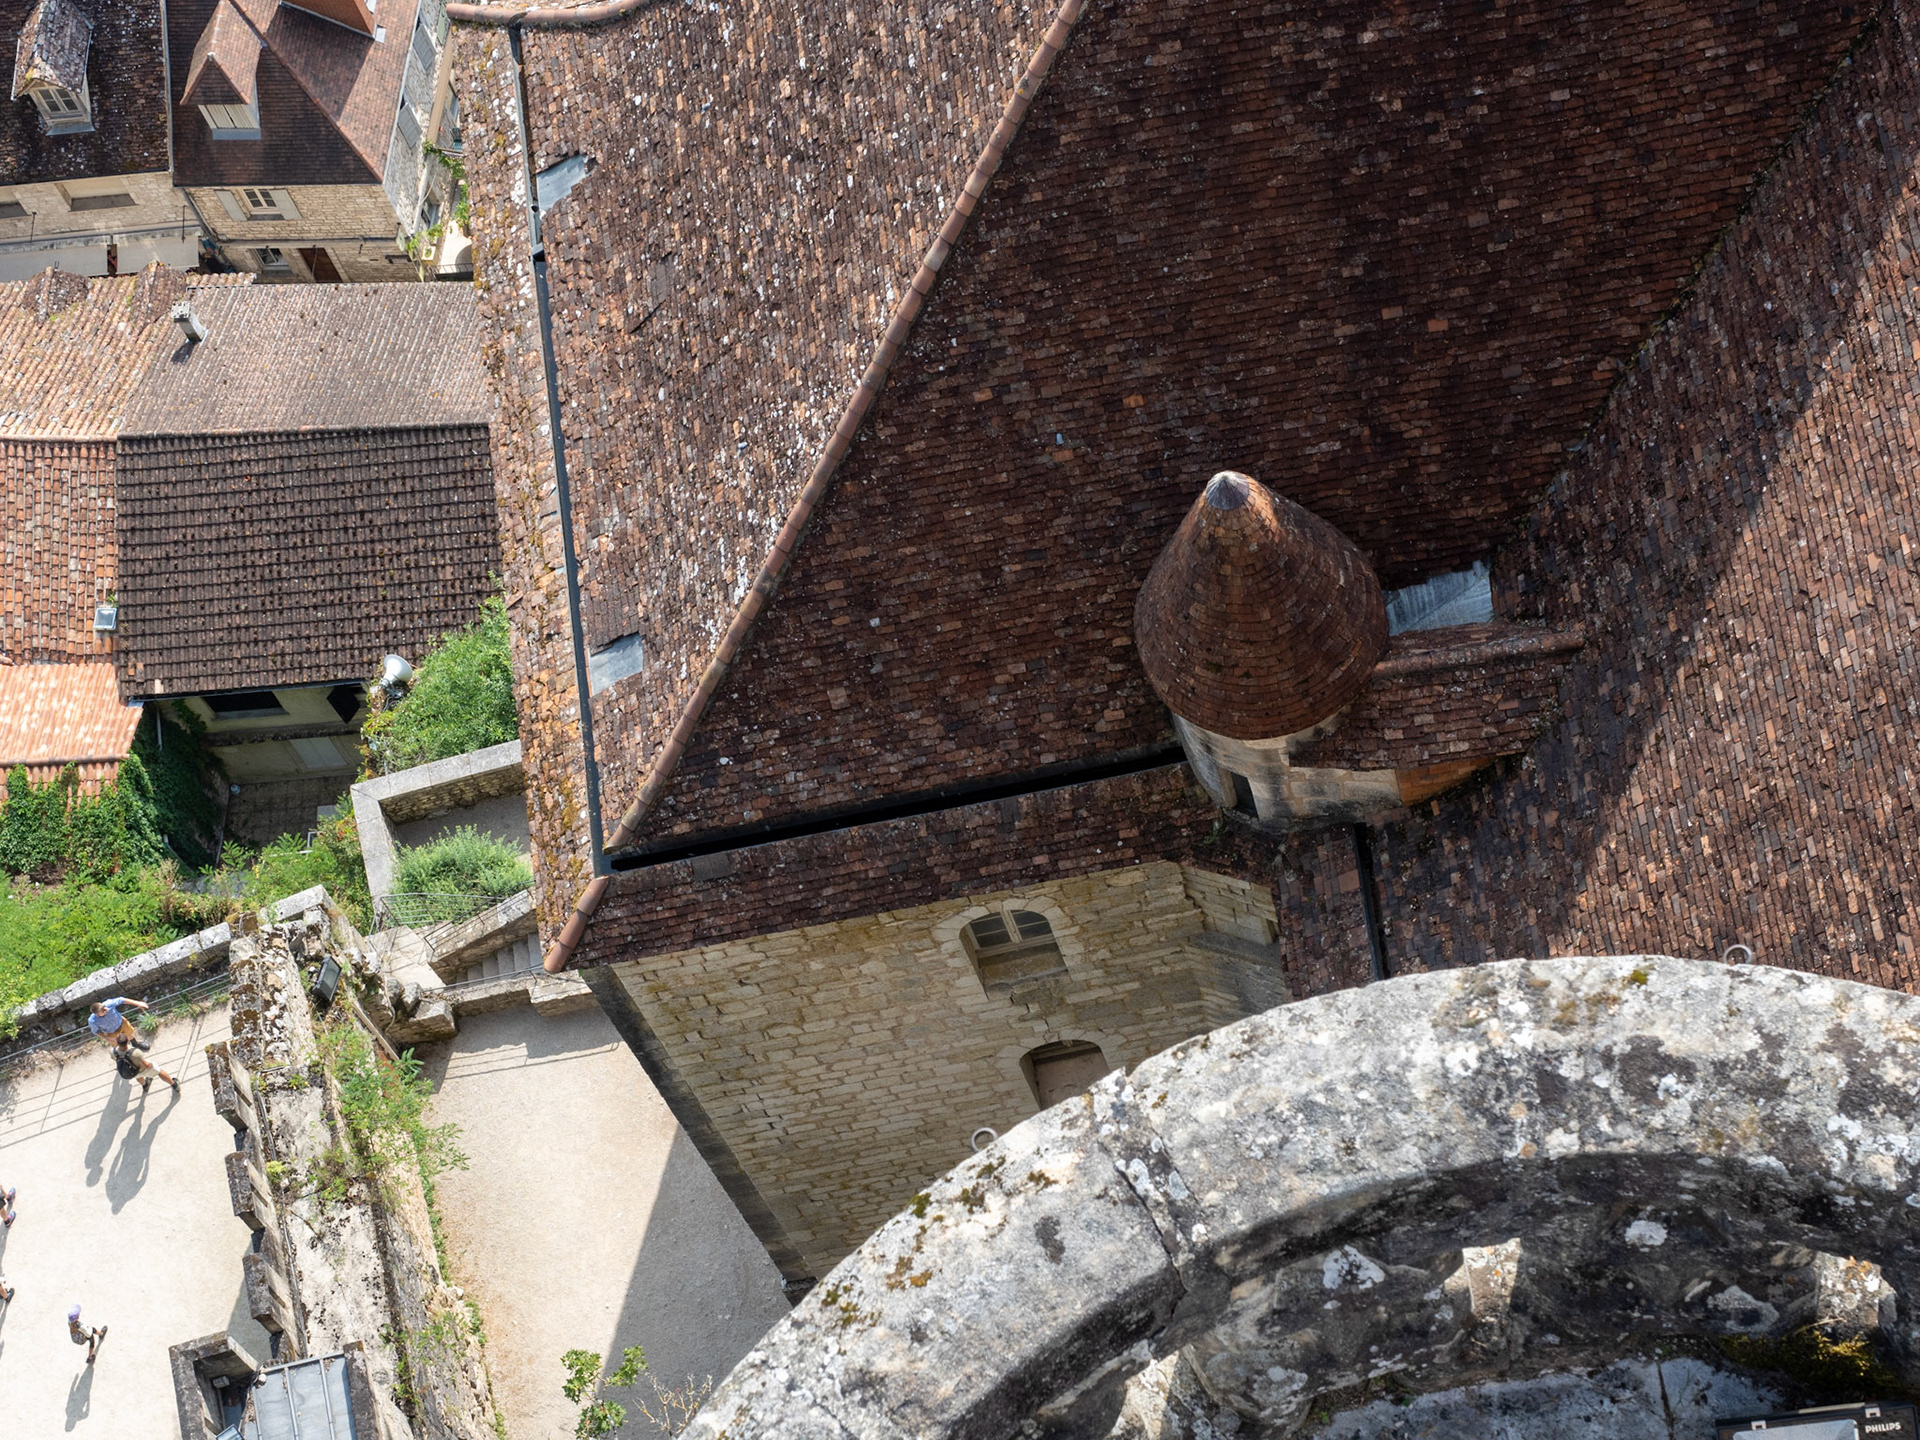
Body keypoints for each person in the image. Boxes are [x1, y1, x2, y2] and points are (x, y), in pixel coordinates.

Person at [87, 997, 152, 1051]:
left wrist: (138, 1003)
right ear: (98, 1014)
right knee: (119, 1044)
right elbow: (96, 1031)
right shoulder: (93, 1021)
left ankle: (135, 1044)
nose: (106, 1009)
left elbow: (121, 1000)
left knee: (129, 1034)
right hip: (111, 1032)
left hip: (121, 1023)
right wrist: (107, 1038)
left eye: (104, 1007)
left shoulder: (108, 1004)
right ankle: (127, 1053)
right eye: (103, 1010)